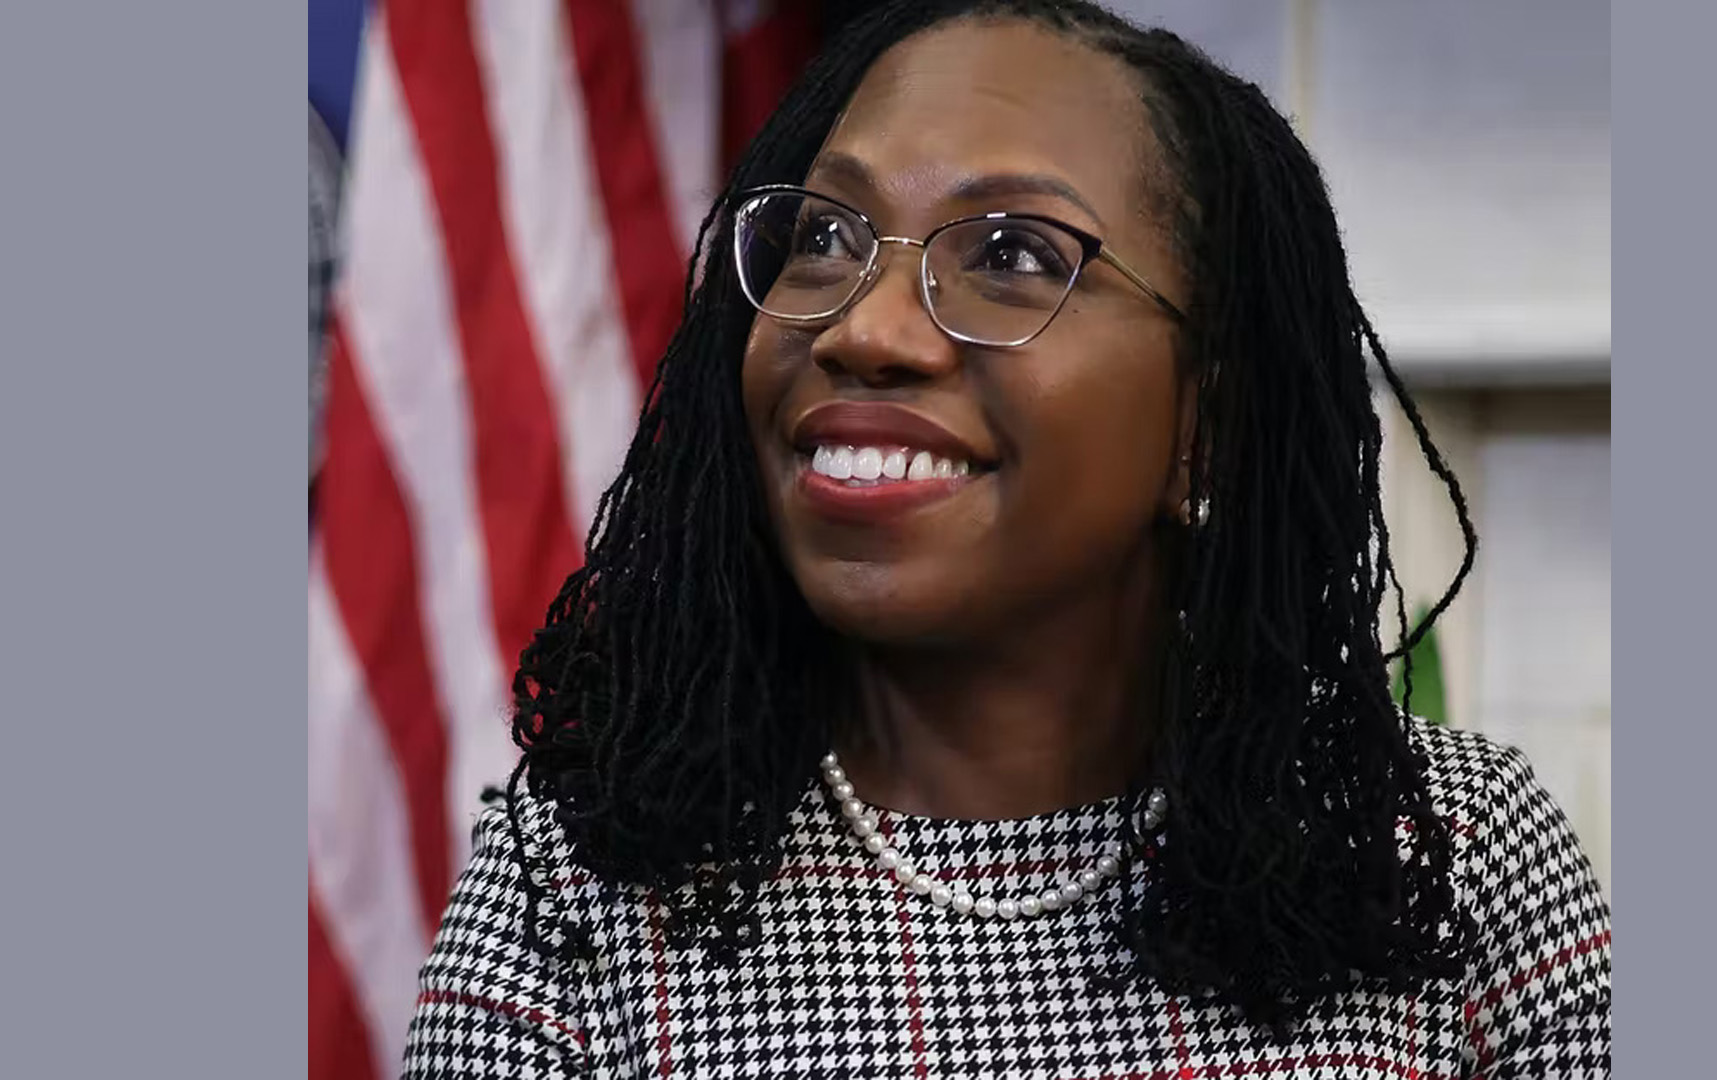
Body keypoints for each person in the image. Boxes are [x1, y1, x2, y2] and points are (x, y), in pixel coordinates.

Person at [402, 2, 1612, 1076]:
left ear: (1210, 429)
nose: (865, 329)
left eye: (1012, 256)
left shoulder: (1448, 859)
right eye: (824, 238)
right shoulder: (578, 885)